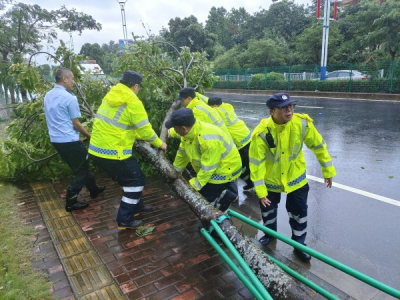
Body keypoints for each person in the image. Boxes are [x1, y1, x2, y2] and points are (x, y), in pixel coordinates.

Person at [249, 93, 336, 262]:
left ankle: (299, 244)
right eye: (283, 108)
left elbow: (319, 147)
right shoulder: (261, 133)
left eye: (291, 106)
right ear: (271, 111)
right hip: (270, 180)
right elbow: (256, 163)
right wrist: (260, 190)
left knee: (299, 213)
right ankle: (269, 234)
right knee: (268, 210)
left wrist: (328, 171)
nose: (289, 111)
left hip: (296, 178)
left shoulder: (302, 123)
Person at [88, 70, 167, 230]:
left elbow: (123, 124)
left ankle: (136, 207)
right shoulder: (133, 101)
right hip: (113, 152)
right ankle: (125, 219)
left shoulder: (111, 95)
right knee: (136, 181)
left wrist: (140, 137)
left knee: (129, 179)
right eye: (138, 88)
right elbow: (145, 129)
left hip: (96, 150)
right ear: (135, 86)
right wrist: (160, 144)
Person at [44, 67, 105, 212]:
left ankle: (94, 189)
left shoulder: (48, 95)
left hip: (57, 139)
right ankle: (70, 202)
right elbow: (75, 122)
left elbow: (59, 119)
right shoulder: (69, 98)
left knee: (81, 165)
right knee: (81, 171)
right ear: (64, 79)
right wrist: (90, 136)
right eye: (72, 78)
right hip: (68, 140)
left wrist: (75, 137)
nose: (73, 82)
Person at [166, 108, 241, 212]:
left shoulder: (207, 140)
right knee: (205, 189)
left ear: (184, 129)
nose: (174, 130)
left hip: (225, 169)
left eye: (175, 128)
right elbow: (182, 154)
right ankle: (226, 194)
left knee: (205, 198)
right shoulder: (190, 133)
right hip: (216, 166)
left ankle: (213, 218)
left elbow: (208, 168)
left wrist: (194, 187)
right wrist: (175, 172)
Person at [207, 96, 253, 191]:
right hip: (247, 137)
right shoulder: (227, 106)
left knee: (240, 167)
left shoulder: (216, 111)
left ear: (215, 106)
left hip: (240, 143)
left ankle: (253, 184)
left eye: (210, 106)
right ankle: (252, 183)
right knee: (250, 164)